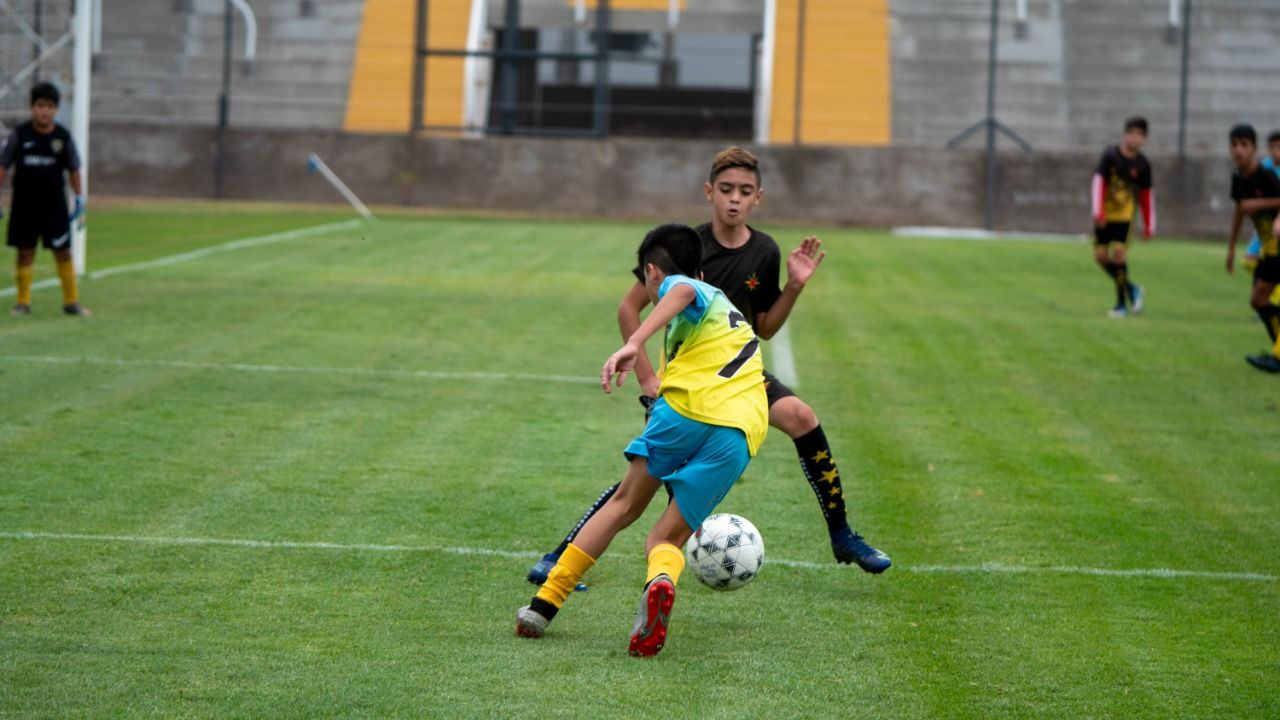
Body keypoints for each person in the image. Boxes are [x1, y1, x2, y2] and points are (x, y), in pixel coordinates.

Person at [525, 147, 890, 590]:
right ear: (708, 192)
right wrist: (646, 377)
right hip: (690, 381)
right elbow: (628, 307)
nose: (734, 199)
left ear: (759, 197)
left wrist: (793, 287)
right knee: (647, 477)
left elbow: (765, 328)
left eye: (745, 191)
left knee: (801, 417)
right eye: (725, 190)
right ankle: (561, 555)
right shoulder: (685, 247)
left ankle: (842, 534)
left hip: (740, 373)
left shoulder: (764, 250)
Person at [516, 223, 768, 657]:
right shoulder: (723, 316)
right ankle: (661, 583)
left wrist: (634, 341)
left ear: (652, 272)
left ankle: (544, 605)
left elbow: (682, 290)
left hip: (687, 410)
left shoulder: (683, 286)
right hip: (741, 432)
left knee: (623, 505)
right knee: (665, 541)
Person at [0, 82, 88, 317]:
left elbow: (74, 168)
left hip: (54, 206)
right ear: (32, 107)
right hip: (24, 205)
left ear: (56, 109)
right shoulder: (19, 135)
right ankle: (22, 302)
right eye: (40, 105)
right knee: (25, 251)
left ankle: (71, 302)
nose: (44, 111)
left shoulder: (62, 137)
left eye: (49, 106)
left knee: (63, 251)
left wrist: (79, 198)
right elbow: (3, 165)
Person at [1224, 124, 1280, 373]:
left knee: (1264, 297)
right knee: (1258, 300)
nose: (1238, 150)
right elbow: (1239, 210)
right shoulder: (1238, 177)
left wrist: (1258, 204)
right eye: (1234, 145)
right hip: (1268, 247)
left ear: (1254, 149)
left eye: (1243, 145)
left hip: (1278, 246)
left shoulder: (1266, 175)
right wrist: (1231, 247)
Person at [1090, 116, 1155, 319]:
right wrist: (1098, 211)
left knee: (1119, 255)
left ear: (1144, 139)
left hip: (1125, 217)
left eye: (1139, 135)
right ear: (1125, 134)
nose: (1134, 138)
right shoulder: (1110, 156)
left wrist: (1148, 225)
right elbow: (1098, 182)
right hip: (1105, 215)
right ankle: (1132, 289)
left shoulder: (1143, 165)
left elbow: (1146, 195)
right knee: (1101, 258)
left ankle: (1121, 306)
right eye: (1131, 133)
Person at [1241, 130, 1280, 275]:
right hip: (1265, 221)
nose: (1275, 151)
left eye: (1279, 147)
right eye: (1272, 147)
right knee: (1249, 261)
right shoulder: (1263, 167)